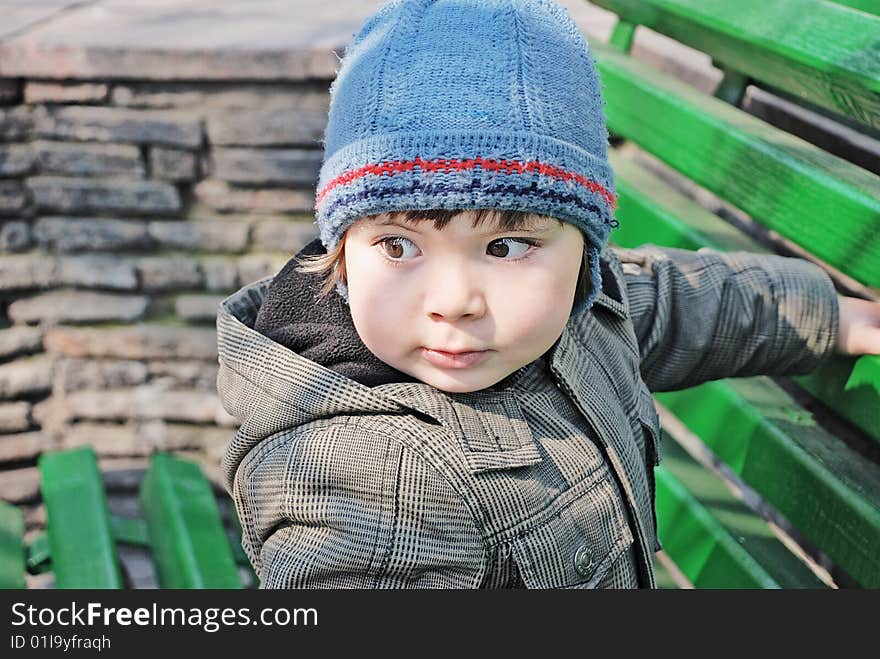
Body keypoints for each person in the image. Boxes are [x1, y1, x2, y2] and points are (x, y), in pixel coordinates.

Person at [216, 0, 880, 588]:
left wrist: (833, 313)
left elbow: (685, 301)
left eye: (505, 247)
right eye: (399, 245)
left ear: (585, 253)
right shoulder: (367, 482)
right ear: (344, 251)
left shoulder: (581, 314)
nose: (454, 301)